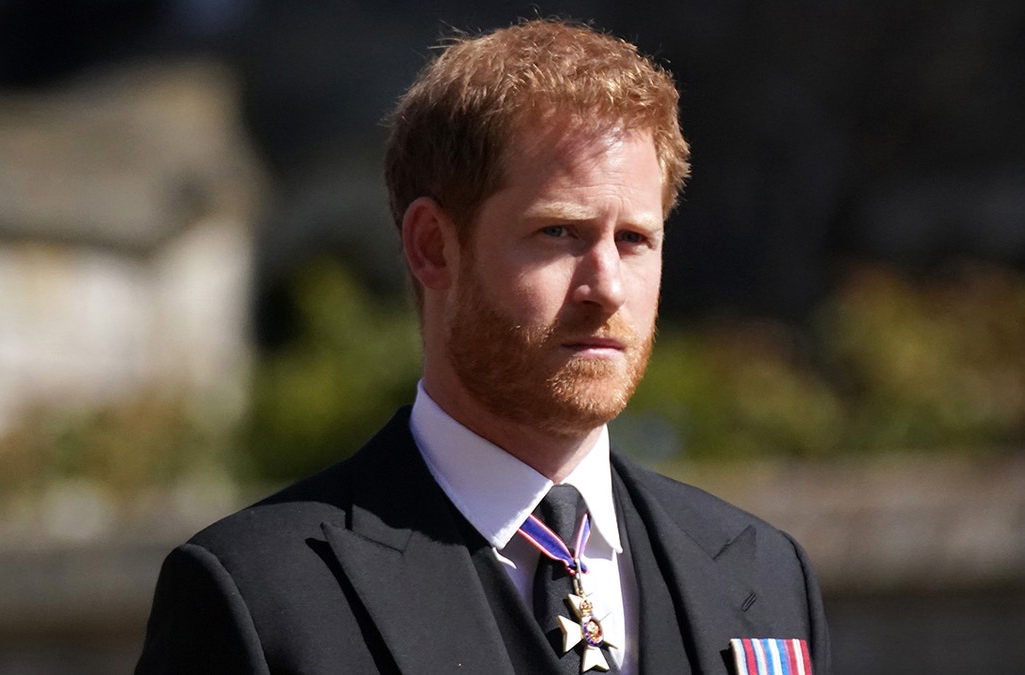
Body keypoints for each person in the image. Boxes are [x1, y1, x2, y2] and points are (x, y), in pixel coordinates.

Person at [136, 18, 830, 675]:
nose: (607, 287)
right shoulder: (259, 593)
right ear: (433, 246)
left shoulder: (766, 576)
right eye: (558, 232)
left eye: (634, 239)